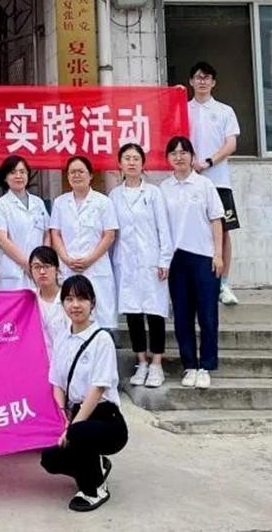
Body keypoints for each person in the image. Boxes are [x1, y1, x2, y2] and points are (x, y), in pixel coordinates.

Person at [40, 275, 128, 513]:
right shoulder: (62, 337)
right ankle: (96, 465)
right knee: (50, 458)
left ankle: (94, 489)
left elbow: (97, 389)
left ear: (92, 303)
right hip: (75, 413)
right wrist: (62, 416)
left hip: (105, 417)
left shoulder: (102, 340)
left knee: (78, 434)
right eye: (69, 299)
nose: (75, 305)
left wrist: (71, 427)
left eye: (81, 299)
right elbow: (57, 383)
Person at [160, 136, 224, 390]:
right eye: (174, 153)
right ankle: (190, 365)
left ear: (192, 156)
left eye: (183, 152)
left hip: (204, 256)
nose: (179, 157)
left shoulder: (204, 184)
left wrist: (218, 254)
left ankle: (206, 365)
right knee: (182, 315)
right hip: (177, 259)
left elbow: (216, 220)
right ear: (168, 159)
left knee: (207, 314)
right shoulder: (163, 188)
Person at [109, 143, 173, 389]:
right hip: (125, 263)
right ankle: (142, 361)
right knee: (133, 314)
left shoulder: (154, 193)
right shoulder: (114, 196)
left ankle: (156, 363)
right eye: (127, 158)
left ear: (142, 163)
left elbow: (163, 228)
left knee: (155, 313)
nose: (132, 162)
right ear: (120, 164)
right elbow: (112, 233)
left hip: (151, 262)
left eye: (136, 158)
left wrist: (164, 259)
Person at [187, 61, 241, 306]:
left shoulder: (224, 111)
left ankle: (224, 284)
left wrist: (208, 162)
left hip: (219, 180)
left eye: (207, 78)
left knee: (224, 230)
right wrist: (189, 164)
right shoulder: (182, 109)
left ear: (213, 82)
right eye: (198, 77)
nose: (202, 81)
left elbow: (231, 144)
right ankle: (195, 283)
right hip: (189, 181)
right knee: (192, 230)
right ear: (191, 81)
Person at [49, 155, 119, 331]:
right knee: (69, 316)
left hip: (96, 267)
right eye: (72, 172)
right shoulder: (60, 203)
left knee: (100, 318)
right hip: (69, 266)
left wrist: (89, 259)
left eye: (81, 171)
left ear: (90, 175)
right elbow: (55, 233)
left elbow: (109, 235)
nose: (76, 175)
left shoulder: (103, 202)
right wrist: (65, 258)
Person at [0, 155, 50, 291]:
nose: (18, 176)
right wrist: (27, 264)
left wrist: (43, 260)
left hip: (39, 269)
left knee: (39, 303)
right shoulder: (0, 205)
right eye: (13, 172)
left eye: (22, 172)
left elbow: (47, 233)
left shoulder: (38, 203)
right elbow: (2, 240)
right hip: (13, 272)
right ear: (5, 177)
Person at [29, 246, 67, 358]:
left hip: (65, 359)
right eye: (36, 267)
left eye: (46, 266)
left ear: (57, 269)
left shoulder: (69, 298)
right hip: (37, 360)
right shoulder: (28, 299)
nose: (42, 272)